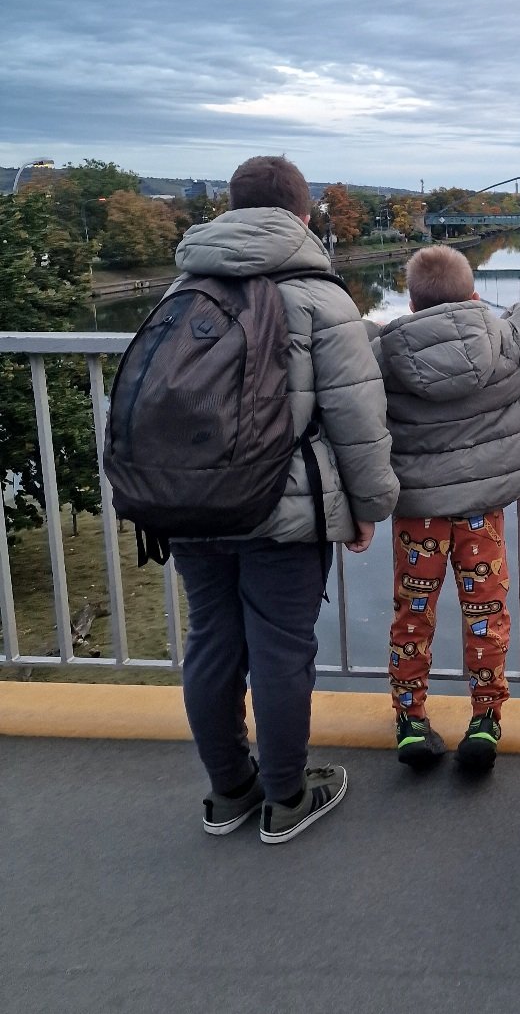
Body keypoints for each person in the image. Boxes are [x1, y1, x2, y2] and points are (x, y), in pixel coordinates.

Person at [170, 156, 399, 844]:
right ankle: (287, 794)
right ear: (304, 216)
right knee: (279, 647)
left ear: (230, 209)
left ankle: (228, 789)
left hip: (187, 502)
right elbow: (358, 420)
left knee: (210, 641)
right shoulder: (321, 298)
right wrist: (369, 508)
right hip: (281, 505)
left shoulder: (184, 285)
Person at [376, 245, 520, 771]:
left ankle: (410, 721)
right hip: (481, 511)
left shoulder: (389, 350)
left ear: (411, 304)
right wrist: (484, 312)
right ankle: (485, 717)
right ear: (474, 292)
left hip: (419, 514)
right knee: (485, 611)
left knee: (413, 614)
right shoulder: (502, 338)